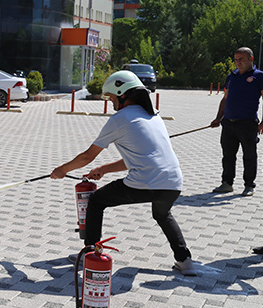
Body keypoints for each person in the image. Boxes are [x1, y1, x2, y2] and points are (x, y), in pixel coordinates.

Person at [50, 71, 196, 276]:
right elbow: (139, 159)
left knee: (96, 201)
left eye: (111, 97)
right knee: (162, 214)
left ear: (123, 95)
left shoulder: (120, 119)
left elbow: (87, 157)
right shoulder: (154, 116)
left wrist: (62, 170)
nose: (110, 102)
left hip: (145, 182)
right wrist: (103, 170)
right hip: (172, 183)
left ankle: (89, 253)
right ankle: (185, 261)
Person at [210, 47, 263, 196]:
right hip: (228, 123)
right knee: (228, 155)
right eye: (236, 59)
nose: (238, 62)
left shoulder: (259, 76)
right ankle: (227, 183)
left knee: (249, 155)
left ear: (251, 59)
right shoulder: (231, 76)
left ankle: (249, 185)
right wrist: (218, 118)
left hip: (247, 123)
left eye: (241, 59)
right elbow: (225, 99)